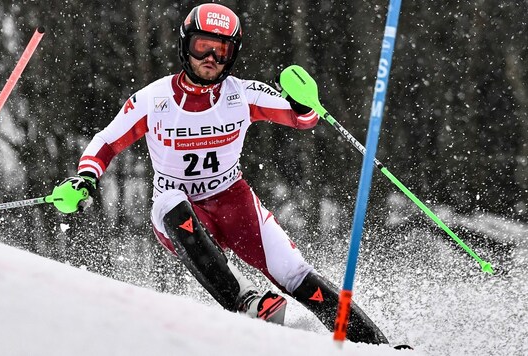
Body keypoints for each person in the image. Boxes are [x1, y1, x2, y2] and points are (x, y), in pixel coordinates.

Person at [53, 3, 388, 344]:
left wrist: (303, 104)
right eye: (202, 46)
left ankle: (377, 345)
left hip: (233, 201)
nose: (211, 57)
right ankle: (246, 300)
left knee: (295, 271)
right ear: (186, 46)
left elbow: (302, 118)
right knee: (171, 202)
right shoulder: (154, 99)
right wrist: (87, 177)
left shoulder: (241, 94)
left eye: (222, 49)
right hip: (179, 209)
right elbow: (107, 141)